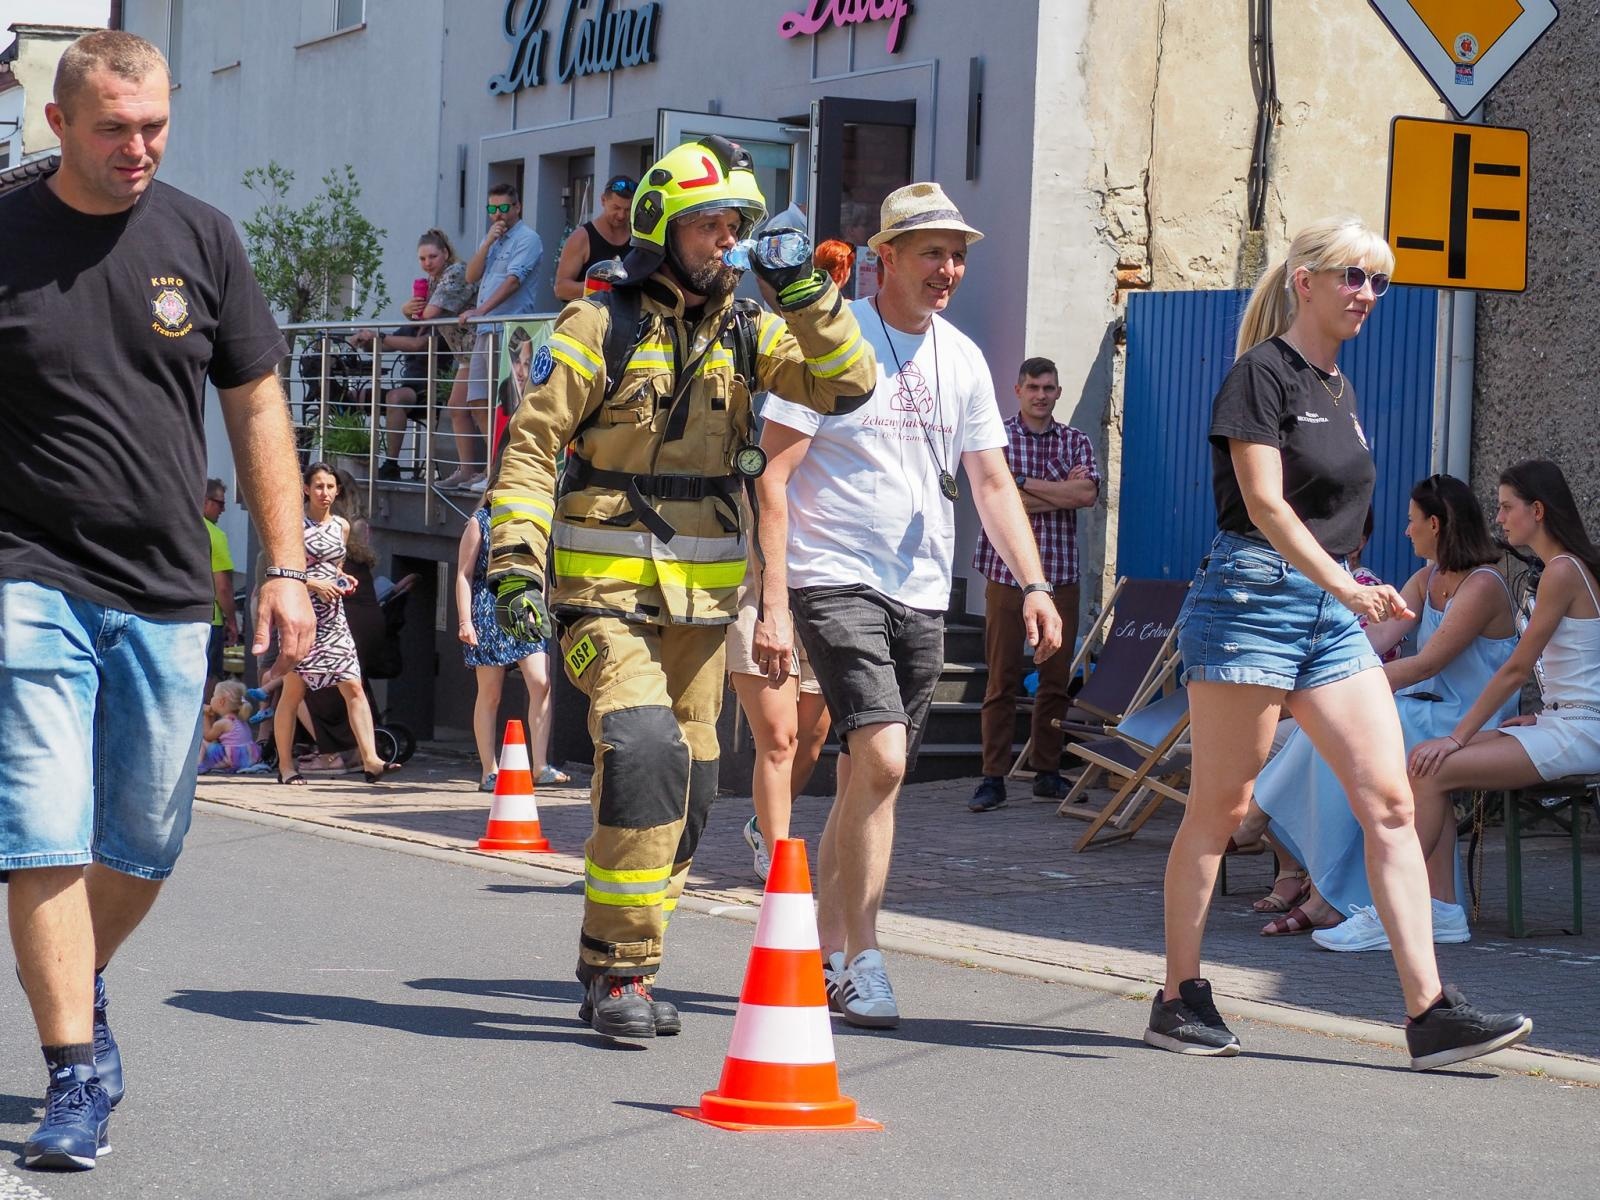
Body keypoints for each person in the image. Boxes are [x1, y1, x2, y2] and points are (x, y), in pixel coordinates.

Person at [0, 30, 314, 1171]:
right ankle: (74, 1071)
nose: (138, 148)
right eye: (113, 128)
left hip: (170, 587)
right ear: (60, 126)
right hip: (25, 575)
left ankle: (75, 980)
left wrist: (285, 564)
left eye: (155, 127)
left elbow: (258, 408)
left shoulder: (203, 239)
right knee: (39, 828)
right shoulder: (6, 232)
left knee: (144, 838)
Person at [485, 134, 877, 1041]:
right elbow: (532, 446)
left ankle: (618, 957)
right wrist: (513, 564)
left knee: (696, 790)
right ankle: (622, 971)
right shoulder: (596, 324)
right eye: (709, 224)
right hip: (604, 595)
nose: (726, 240)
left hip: (703, 606)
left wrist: (806, 289)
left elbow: (846, 382)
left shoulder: (753, 326)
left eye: (736, 224)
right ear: (664, 228)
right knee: (645, 748)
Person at [1146, 214, 1531, 1072]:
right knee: (1224, 811)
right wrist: (1341, 582)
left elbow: (1326, 517)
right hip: (1250, 599)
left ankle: (1430, 1012)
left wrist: (1356, 585)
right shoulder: (1261, 375)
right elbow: (1268, 504)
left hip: (1326, 613)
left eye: (1379, 281)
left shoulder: (1340, 389)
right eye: (1353, 276)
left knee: (1390, 802)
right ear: (1305, 280)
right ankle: (1178, 996)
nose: (1368, 294)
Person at [761, 182, 1064, 1029]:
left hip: (922, 587)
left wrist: (1034, 582)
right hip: (833, 574)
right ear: (882, 257)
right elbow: (773, 477)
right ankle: (861, 956)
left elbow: (993, 483)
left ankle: (837, 953)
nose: (948, 268)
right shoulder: (826, 340)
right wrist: (774, 604)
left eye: (958, 253)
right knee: (888, 759)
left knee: (871, 777)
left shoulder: (963, 357)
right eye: (931, 251)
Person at [1244, 474, 1518, 943]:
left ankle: (1261, 825)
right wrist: (1317, 674)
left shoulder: (1483, 584)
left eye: (1412, 522)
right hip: (1425, 709)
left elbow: (1426, 663)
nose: (1406, 531)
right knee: (1337, 734)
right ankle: (1325, 888)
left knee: (1340, 728)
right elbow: (1376, 641)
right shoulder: (1426, 577)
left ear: (1435, 523)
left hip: (1468, 721)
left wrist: (1337, 692)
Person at [1408, 460, 1600, 910]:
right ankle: (1437, 909)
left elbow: (1516, 669)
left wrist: (1458, 737)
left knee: (1433, 767)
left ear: (1537, 510)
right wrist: (1543, 712)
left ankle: (1401, 908)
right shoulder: (1566, 569)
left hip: (1579, 730)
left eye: (1505, 507)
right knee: (1423, 763)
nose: (1497, 518)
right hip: (1562, 721)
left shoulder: (1563, 571)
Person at [728, 231, 860, 880]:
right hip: (763, 580)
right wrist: (769, 602)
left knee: (812, 736)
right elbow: (766, 482)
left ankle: (760, 822)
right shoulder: (787, 374)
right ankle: (780, 870)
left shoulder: (856, 374)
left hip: (831, 582)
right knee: (777, 739)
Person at [969, 356, 1100, 811]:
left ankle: (1047, 771)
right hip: (1006, 576)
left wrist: (1022, 485)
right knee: (1001, 680)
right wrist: (1051, 490)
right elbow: (996, 499)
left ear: (1058, 392)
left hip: (1060, 574)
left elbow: (1085, 495)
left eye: (1048, 388)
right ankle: (992, 777)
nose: (1041, 395)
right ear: (1017, 390)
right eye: (1033, 387)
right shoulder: (996, 439)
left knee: (1055, 681)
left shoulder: (1076, 440)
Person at [271, 464, 399, 786]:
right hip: (301, 615)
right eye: (318, 487)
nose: (325, 493)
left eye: (330, 487)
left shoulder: (341, 526)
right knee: (292, 692)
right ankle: (286, 766)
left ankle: (371, 759)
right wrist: (314, 583)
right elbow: (279, 571)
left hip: (333, 617)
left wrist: (342, 579)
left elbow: (335, 566)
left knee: (353, 686)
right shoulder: (292, 526)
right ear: (305, 489)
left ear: (337, 491)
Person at [455, 501, 566, 791]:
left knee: (541, 682)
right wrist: (465, 620)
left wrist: (541, 602)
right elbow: (464, 574)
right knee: (490, 693)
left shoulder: (531, 517)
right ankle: (489, 770)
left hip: (525, 606)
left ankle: (540, 765)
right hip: (488, 609)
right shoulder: (480, 521)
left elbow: (541, 568)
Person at [350, 229, 475, 481]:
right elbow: (393, 342)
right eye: (422, 259)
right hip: (425, 377)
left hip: (438, 378)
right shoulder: (427, 299)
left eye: (432, 257)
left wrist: (386, 332)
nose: (427, 264)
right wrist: (366, 342)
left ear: (445, 254)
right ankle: (354, 458)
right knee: (352, 395)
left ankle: (392, 464)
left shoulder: (447, 294)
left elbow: (420, 343)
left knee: (398, 397)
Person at [442, 184, 544, 490]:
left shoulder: (528, 239)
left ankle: (506, 471)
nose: (497, 214)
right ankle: (494, 468)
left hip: (511, 331)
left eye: (503, 208)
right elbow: (471, 276)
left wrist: (481, 310)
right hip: (487, 331)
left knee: (507, 404)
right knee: (477, 400)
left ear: (517, 207)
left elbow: (513, 282)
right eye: (492, 209)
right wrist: (487, 242)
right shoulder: (495, 240)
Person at [552, 174, 636, 301]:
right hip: (590, 317)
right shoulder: (582, 237)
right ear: (603, 200)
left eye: (628, 210)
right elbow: (561, 289)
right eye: (616, 208)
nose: (621, 215)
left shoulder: (638, 238)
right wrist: (601, 287)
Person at [202, 478, 240, 697]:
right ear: (206, 501)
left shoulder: (180, 528)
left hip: (178, 615)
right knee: (210, 676)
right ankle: (205, 729)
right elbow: (223, 587)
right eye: (220, 503)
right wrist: (233, 622)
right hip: (210, 618)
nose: (223, 509)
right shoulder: (215, 536)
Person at [197, 680, 263, 774]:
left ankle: (199, 765)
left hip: (233, 759)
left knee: (201, 742)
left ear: (221, 701)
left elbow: (208, 737)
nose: (211, 699)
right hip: (248, 758)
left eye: (213, 695)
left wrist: (205, 715)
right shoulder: (239, 719)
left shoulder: (223, 723)